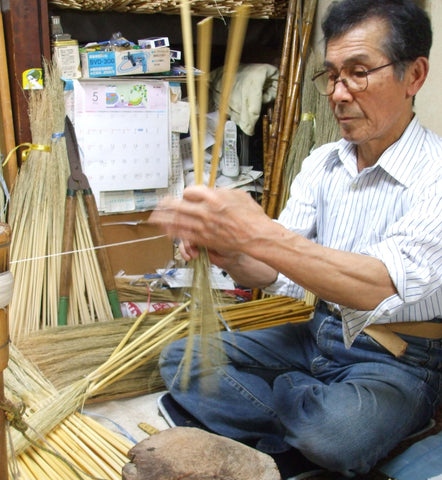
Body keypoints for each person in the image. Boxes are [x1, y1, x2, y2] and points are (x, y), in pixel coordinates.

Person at [150, 0, 442, 476]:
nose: (339, 93)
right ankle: (312, 413)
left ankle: (313, 418)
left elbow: (380, 285)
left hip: (399, 355)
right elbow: (274, 273)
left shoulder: (437, 172)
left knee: (334, 436)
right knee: (184, 359)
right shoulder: (323, 162)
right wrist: (230, 251)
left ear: (414, 75)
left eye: (359, 72)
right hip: (317, 333)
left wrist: (258, 234)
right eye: (330, 75)